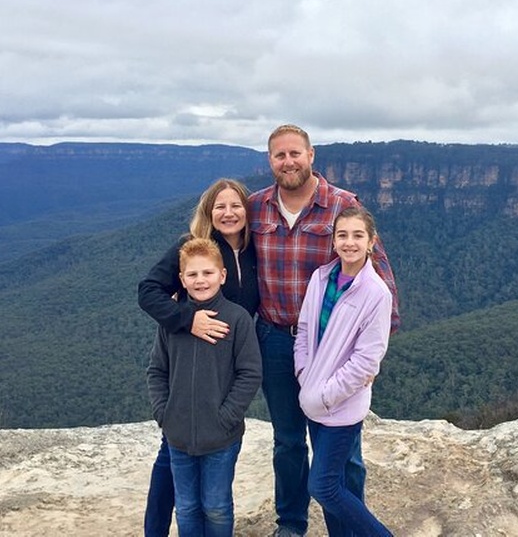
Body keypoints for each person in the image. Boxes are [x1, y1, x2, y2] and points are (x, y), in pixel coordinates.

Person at [248, 124, 400, 536]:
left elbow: (379, 275)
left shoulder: (342, 205)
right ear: (270, 160)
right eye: (280, 155)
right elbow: (224, 254)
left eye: (295, 153)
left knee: (343, 451)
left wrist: (371, 354)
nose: (288, 162)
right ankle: (291, 523)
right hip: (275, 338)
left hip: (331, 345)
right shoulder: (256, 207)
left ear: (311, 155)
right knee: (288, 440)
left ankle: (349, 527)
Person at [139, 178, 259, 537]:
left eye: (236, 205)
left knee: (213, 501)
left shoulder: (257, 247)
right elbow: (148, 291)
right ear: (208, 212)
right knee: (172, 469)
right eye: (219, 206)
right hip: (186, 371)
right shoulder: (192, 247)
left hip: (228, 361)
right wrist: (187, 318)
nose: (228, 213)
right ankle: (155, 532)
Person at [294, 206, 393, 536]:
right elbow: (304, 330)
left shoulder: (376, 293)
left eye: (358, 235)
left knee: (322, 486)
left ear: (371, 242)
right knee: (334, 483)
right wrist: (304, 375)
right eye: (343, 235)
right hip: (313, 395)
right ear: (334, 240)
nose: (349, 242)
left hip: (342, 406)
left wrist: (325, 396)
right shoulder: (321, 278)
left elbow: (367, 361)